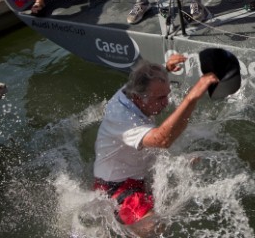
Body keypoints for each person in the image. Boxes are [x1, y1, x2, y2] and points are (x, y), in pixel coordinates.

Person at [93, 53, 219, 235]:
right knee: (156, 227)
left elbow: (144, 77)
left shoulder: (133, 88)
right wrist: (191, 98)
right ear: (138, 98)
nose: (166, 103)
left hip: (138, 171)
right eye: (159, 98)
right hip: (117, 187)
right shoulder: (122, 119)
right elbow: (162, 140)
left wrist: (165, 68)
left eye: (166, 95)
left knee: (199, 160)